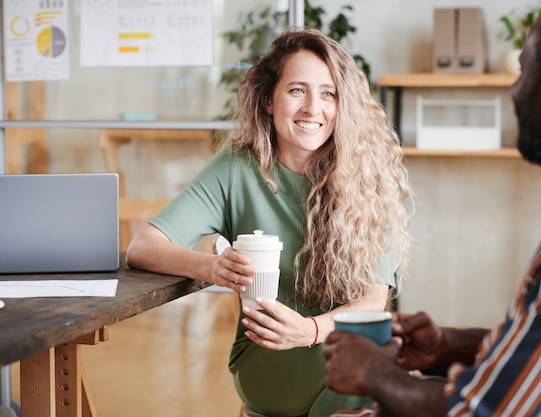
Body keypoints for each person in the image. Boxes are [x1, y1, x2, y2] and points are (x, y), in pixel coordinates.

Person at [323, 0, 541, 416]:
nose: (515, 89)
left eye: (524, 70)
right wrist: (450, 345)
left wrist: (375, 372)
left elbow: (482, 412)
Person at [125, 27, 413, 417]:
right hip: (269, 352)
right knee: (381, 377)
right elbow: (143, 247)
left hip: (342, 343)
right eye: (297, 90)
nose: (314, 108)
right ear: (267, 101)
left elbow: (372, 299)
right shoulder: (237, 169)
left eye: (328, 94)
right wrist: (212, 267)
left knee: (382, 363)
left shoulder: (367, 178)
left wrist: (310, 331)